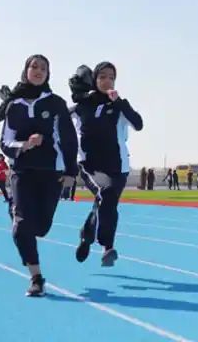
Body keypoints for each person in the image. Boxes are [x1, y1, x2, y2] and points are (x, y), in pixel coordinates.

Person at [0, 54, 78, 296]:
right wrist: (24, 145)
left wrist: (70, 172)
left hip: (51, 173)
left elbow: (69, 139)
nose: (38, 71)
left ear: (48, 74)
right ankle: (36, 277)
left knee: (42, 227)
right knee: (22, 227)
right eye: (33, 66)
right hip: (22, 172)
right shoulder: (14, 107)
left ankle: (18, 214)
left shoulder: (55, 103)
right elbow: (5, 142)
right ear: (25, 70)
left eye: (43, 68)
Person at [70, 62, 143, 266]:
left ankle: (87, 236)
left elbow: (138, 124)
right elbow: (56, 120)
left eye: (111, 77)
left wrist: (120, 102)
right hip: (90, 165)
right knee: (107, 194)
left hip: (118, 167)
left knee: (106, 202)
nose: (107, 80)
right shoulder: (81, 107)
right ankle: (107, 247)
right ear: (95, 80)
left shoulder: (119, 105)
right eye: (102, 76)